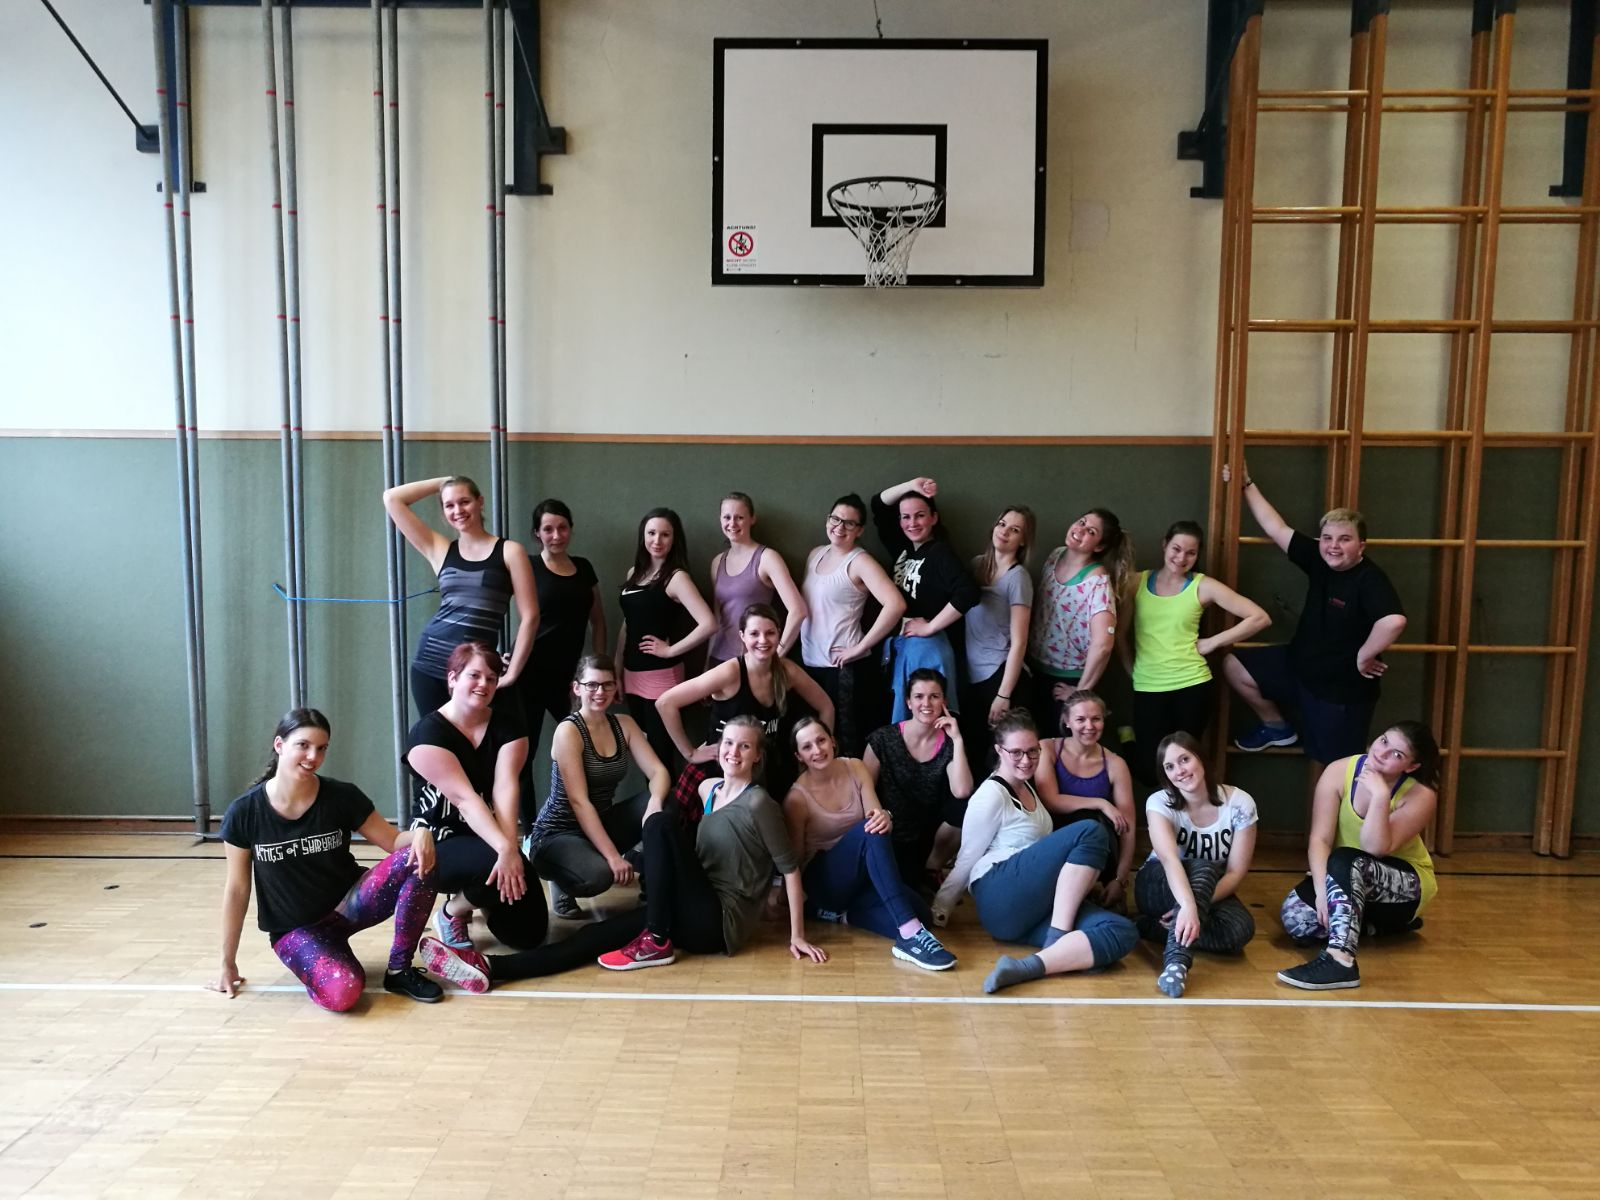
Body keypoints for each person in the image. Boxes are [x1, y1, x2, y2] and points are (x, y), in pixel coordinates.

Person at [418, 716, 831, 988]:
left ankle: (656, 938)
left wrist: (796, 935)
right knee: (593, 936)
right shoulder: (711, 790)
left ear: (757, 756)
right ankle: (492, 969)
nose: (733, 752)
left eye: (744, 747)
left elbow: (790, 868)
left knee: (660, 821)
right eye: (729, 743)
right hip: (688, 908)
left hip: (720, 922)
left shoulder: (759, 803)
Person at [213, 708, 478, 1010]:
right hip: (296, 930)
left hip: (350, 906)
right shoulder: (244, 812)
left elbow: (392, 842)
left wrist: (421, 833)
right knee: (344, 993)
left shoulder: (341, 796)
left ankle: (400, 970)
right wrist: (227, 963)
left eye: (321, 748)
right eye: (303, 745)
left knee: (418, 857)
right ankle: (322, 960)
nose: (313, 756)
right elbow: (237, 890)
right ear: (279, 745)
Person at [931, 710, 1139, 994]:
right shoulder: (991, 793)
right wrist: (939, 911)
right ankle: (1058, 939)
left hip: (1027, 911)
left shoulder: (1027, 787)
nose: (1026, 760)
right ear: (999, 751)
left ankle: (1030, 966)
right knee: (1090, 831)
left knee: (1121, 931)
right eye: (1016, 752)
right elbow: (967, 857)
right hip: (999, 890)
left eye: (1032, 751)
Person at [1221, 464, 1406, 764]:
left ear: (1361, 546)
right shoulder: (1320, 559)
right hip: (1298, 669)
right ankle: (1276, 726)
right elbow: (1276, 528)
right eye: (1327, 538)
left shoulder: (1369, 579)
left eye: (1344, 539)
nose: (1333, 546)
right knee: (1234, 665)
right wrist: (1246, 484)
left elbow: (1394, 621)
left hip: (1339, 692)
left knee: (1337, 767)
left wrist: (1364, 656)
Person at [404, 642, 548, 954]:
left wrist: (510, 851)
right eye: (474, 675)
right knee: (492, 862)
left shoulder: (509, 727)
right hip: (437, 838)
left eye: (491, 678)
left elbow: (505, 789)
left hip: (487, 833)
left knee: (529, 934)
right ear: (452, 678)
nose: (484, 684)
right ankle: (451, 912)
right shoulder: (427, 735)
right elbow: (465, 800)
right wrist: (502, 851)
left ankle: (478, 895)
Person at [783, 716, 956, 970]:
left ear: (832, 741)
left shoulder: (855, 767)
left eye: (821, 741)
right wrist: (792, 916)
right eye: (807, 747)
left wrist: (886, 816)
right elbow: (794, 863)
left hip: (860, 874)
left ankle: (846, 916)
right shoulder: (796, 799)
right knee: (870, 831)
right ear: (799, 756)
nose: (817, 750)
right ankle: (909, 935)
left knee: (922, 914)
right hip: (824, 882)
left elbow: (877, 820)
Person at [1277, 722, 1440, 991]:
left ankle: (1340, 961)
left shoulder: (1421, 794)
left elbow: (1375, 848)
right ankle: (1375, 926)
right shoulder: (1339, 770)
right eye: (1384, 741)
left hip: (1402, 886)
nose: (1382, 753)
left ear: (1411, 767)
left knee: (1347, 860)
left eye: (1397, 754)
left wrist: (1380, 796)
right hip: (1345, 875)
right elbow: (1320, 840)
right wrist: (1322, 893)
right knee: (1296, 917)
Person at [1119, 520, 1270, 784]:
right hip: (1148, 686)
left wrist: (1213, 642)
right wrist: (1131, 669)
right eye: (1176, 549)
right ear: (1164, 545)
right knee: (1150, 772)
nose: (1181, 558)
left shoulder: (1202, 585)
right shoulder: (1136, 582)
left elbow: (1259, 618)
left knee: (1185, 769)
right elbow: (1119, 634)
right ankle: (1128, 740)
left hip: (1192, 686)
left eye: (1191, 553)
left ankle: (1186, 813)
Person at [526, 655, 671, 920]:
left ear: (616, 687)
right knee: (599, 876)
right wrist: (613, 857)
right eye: (592, 685)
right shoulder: (568, 731)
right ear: (577, 688)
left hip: (601, 822)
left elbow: (658, 772)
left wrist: (654, 804)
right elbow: (579, 802)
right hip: (557, 834)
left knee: (667, 803)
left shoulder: (624, 725)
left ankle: (650, 889)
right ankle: (561, 878)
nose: (600, 692)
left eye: (607, 684)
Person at [383, 475, 539, 717]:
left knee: (482, 739)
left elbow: (531, 617)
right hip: (431, 665)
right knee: (438, 737)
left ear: (480, 502)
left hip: (479, 671)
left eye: (465, 501)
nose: (458, 511)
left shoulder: (510, 551)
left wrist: (512, 674)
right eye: (449, 505)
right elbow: (392, 498)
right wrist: (446, 481)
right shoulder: (440, 549)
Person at [656, 603, 835, 802]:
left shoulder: (788, 671)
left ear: (779, 634)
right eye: (754, 634)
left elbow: (826, 707)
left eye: (770, 633)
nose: (763, 640)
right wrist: (690, 753)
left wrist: (824, 747)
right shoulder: (730, 672)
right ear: (742, 636)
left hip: (767, 769)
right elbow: (665, 703)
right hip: (723, 769)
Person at [1135, 732, 1258, 998]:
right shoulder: (1159, 803)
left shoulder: (1240, 803)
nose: (1179, 771)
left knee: (1241, 930)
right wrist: (1188, 906)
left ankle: (1149, 927)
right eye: (1170, 766)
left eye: (1184, 760)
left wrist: (1194, 906)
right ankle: (1176, 962)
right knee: (1203, 866)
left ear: (1201, 758)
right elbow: (1170, 860)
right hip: (1158, 883)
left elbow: (1235, 873)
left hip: (1207, 889)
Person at [517, 499, 607, 827]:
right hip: (528, 675)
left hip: (569, 679)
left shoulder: (584, 568)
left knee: (587, 748)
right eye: (548, 529)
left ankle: (587, 823)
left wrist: (599, 669)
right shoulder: (527, 566)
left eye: (562, 528)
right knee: (523, 756)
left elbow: (598, 621)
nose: (556, 535)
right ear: (537, 534)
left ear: (570, 529)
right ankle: (530, 831)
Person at [799, 493, 906, 758]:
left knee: (843, 742)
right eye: (835, 519)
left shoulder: (860, 561)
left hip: (842, 668)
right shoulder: (815, 554)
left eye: (849, 523)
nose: (840, 527)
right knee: (814, 741)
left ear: (859, 530)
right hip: (810, 664)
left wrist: (859, 647)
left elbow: (895, 604)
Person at [871, 476, 980, 721]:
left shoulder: (940, 553)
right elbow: (878, 504)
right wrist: (911, 486)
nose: (912, 523)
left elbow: (969, 592)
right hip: (902, 645)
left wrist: (931, 626)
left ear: (934, 518)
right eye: (905, 517)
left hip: (929, 649)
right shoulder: (902, 546)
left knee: (926, 715)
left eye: (920, 515)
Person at [617, 507, 717, 771]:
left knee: (660, 755)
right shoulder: (633, 573)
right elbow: (628, 624)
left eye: (665, 534)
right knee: (643, 753)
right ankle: (653, 797)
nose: (657, 540)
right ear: (643, 536)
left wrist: (670, 651)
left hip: (661, 676)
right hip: (631, 673)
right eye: (651, 533)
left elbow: (709, 624)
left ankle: (665, 799)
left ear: (674, 539)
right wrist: (617, 668)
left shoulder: (676, 577)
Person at [863, 668, 974, 889]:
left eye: (934, 696)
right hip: (889, 828)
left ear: (944, 702)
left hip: (927, 832)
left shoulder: (949, 743)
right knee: (905, 889)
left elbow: (962, 791)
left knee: (967, 805)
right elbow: (863, 791)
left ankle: (933, 866)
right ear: (908, 702)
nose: (926, 703)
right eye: (919, 696)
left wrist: (958, 739)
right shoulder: (882, 739)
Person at [1027, 508, 1135, 735]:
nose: (1081, 530)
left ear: (1099, 547)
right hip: (1035, 668)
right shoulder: (1055, 556)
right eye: (1082, 522)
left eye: (1091, 531)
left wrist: (1079, 693)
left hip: (1067, 680)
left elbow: (1103, 645)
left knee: (1059, 746)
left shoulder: (1097, 582)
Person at [1031, 689, 1136, 912]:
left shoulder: (1116, 764)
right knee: (1087, 818)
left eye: (1096, 719)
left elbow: (1128, 827)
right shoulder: (1048, 748)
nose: (1089, 726)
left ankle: (1100, 889)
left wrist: (1120, 880)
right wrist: (1101, 803)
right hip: (1055, 843)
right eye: (1080, 719)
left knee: (1092, 823)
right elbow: (1050, 800)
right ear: (1067, 721)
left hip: (1098, 850)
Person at [961, 505, 1036, 777]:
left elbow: (1020, 642)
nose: (1004, 532)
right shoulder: (976, 565)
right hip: (974, 675)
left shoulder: (1018, 578)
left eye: (1014, 530)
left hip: (1002, 676)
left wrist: (1003, 695)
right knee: (975, 755)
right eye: (1002, 524)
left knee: (1003, 763)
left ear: (1023, 540)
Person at [706, 492, 808, 666]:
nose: (732, 523)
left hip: (753, 662)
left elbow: (798, 611)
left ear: (752, 519)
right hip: (719, 660)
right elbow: (717, 617)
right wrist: (707, 662)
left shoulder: (767, 558)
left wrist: (775, 656)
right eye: (727, 517)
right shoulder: (717, 562)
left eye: (739, 517)